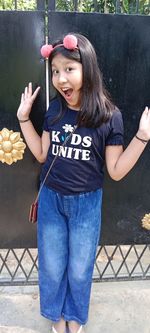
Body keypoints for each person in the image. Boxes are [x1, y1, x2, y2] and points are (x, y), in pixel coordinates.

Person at [17, 33, 150, 333]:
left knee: (79, 269)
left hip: (86, 205)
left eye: (69, 69)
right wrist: (24, 118)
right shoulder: (54, 110)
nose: (61, 79)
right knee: (52, 266)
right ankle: (56, 314)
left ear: (87, 69)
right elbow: (41, 154)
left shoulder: (108, 117)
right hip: (51, 199)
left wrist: (142, 137)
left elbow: (115, 170)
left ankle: (75, 316)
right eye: (55, 72)